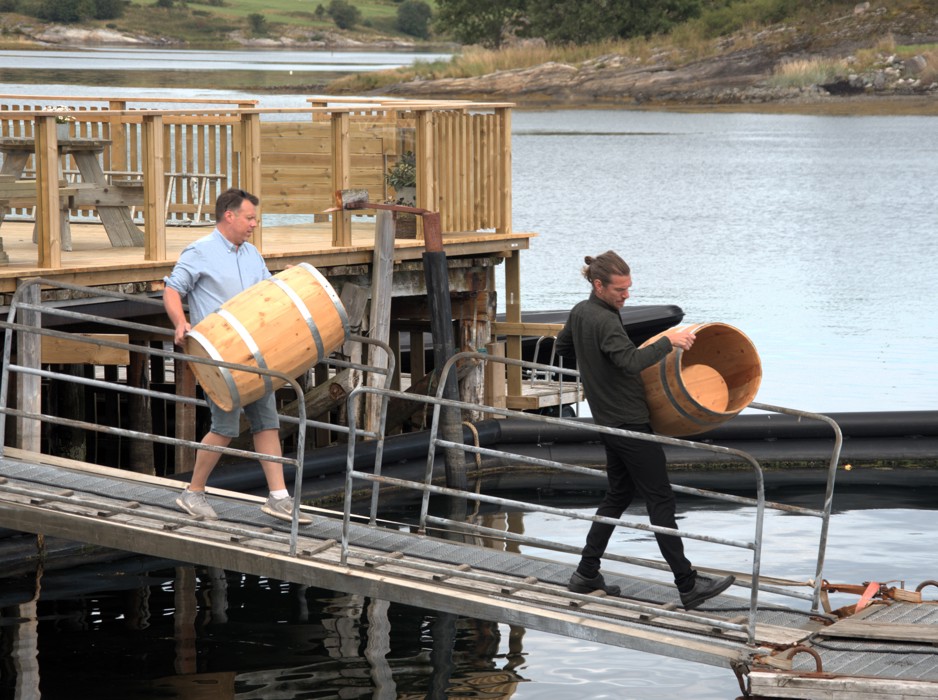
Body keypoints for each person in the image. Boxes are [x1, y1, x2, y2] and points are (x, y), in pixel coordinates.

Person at [554, 251, 733, 610]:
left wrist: (596, 374)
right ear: (598, 285)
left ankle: (586, 573)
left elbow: (563, 348)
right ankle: (688, 584)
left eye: (629, 288)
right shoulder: (605, 320)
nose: (626, 296)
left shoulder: (581, 311)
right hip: (629, 422)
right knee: (660, 500)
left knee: (618, 494)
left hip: (607, 419)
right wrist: (670, 341)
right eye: (620, 290)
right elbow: (630, 361)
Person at [163, 188, 310, 525]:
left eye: (255, 218)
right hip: (219, 357)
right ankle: (193, 492)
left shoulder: (252, 254)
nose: (254, 224)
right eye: (249, 218)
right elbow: (172, 289)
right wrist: (181, 322)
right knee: (225, 427)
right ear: (229, 216)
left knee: (267, 422)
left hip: (255, 355)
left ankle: (279, 498)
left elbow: (267, 293)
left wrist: (289, 279)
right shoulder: (200, 251)